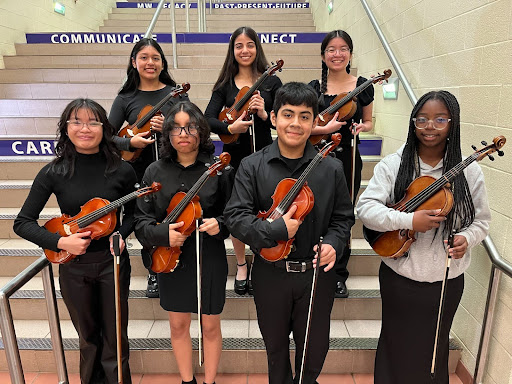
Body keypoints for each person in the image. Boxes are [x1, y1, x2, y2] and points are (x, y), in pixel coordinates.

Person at [356, 90, 491, 383]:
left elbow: (481, 222)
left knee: (434, 348)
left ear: (452, 124)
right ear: (413, 122)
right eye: (423, 119)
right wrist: (409, 220)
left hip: (446, 280)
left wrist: (467, 239)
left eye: (440, 119)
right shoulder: (394, 164)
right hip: (399, 275)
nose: (430, 126)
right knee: (395, 343)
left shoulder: (470, 173)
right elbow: (365, 209)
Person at [224, 82, 355, 383]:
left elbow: (343, 218)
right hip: (270, 274)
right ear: (273, 118)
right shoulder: (251, 166)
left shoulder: (331, 168)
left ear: (314, 121)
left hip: (316, 275)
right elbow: (235, 217)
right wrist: (273, 229)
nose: (295, 123)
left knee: (314, 349)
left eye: (305, 116)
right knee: (276, 351)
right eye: (288, 114)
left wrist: (334, 243)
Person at [14, 99, 137, 383]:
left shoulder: (121, 169)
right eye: (77, 122)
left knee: (116, 338)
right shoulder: (53, 172)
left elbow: (134, 214)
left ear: (104, 128)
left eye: (93, 122)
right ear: (65, 128)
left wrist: (121, 234)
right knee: (88, 339)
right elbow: (22, 223)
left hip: (112, 263)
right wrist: (59, 242)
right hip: (74, 267)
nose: (85, 128)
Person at [134, 101, 233, 384]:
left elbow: (235, 213)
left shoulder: (219, 169)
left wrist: (221, 224)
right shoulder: (154, 171)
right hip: (169, 255)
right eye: (176, 128)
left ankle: (209, 381)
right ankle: (187, 380)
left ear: (201, 132)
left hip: (208, 254)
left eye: (190, 127)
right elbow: (142, 221)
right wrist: (163, 234)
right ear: (167, 134)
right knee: (178, 323)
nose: (183, 133)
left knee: (210, 324)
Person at [205, 26, 282, 296]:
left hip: (265, 156)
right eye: (239, 45)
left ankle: (263, 259)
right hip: (235, 159)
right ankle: (240, 264)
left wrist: (264, 113)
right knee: (237, 214)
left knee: (265, 210)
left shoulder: (271, 83)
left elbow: (283, 119)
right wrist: (229, 129)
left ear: (257, 48)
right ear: (233, 50)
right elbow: (207, 118)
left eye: (250, 44)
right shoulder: (225, 86)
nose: (245, 50)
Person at [109, 37, 189, 298]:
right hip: (138, 171)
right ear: (134, 62)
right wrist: (129, 142)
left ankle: (177, 260)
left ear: (162, 62)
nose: (150, 62)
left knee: (173, 214)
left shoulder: (175, 93)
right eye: (143, 57)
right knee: (145, 219)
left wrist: (167, 126)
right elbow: (107, 137)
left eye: (155, 58)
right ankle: (153, 270)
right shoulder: (125, 98)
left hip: (172, 167)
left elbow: (192, 129)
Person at [308, 30, 375, 298]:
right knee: (314, 210)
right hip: (318, 156)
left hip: (348, 156)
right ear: (323, 55)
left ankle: (339, 274)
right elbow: (305, 126)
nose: (337, 54)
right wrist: (324, 128)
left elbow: (370, 121)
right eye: (331, 50)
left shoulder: (363, 85)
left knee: (343, 215)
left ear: (350, 53)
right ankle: (314, 264)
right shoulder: (314, 87)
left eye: (343, 48)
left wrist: (362, 126)